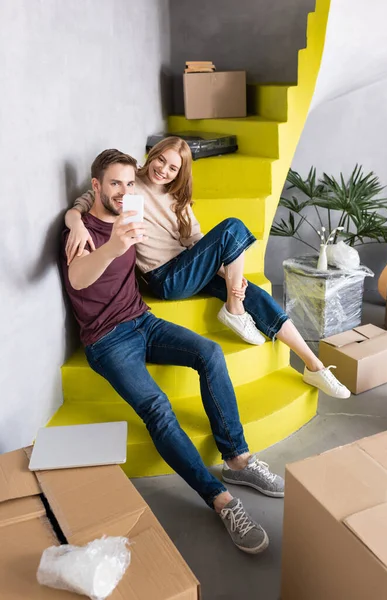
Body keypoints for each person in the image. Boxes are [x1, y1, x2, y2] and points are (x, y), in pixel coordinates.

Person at [61, 149, 286, 555]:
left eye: (130, 184)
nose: (124, 191)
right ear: (95, 185)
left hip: (142, 320)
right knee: (158, 409)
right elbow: (78, 278)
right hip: (106, 340)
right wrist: (102, 238)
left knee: (211, 353)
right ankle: (221, 501)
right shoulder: (81, 232)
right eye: (115, 183)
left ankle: (237, 459)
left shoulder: (130, 216)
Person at [64, 137, 351, 400]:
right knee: (233, 227)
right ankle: (235, 309)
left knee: (249, 290)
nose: (163, 170)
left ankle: (314, 365)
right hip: (164, 278)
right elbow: (87, 199)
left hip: (186, 267)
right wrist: (75, 221)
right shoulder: (129, 186)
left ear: (180, 173)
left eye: (173, 168)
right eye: (160, 160)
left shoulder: (178, 200)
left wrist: (226, 274)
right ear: (151, 156)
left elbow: (197, 242)